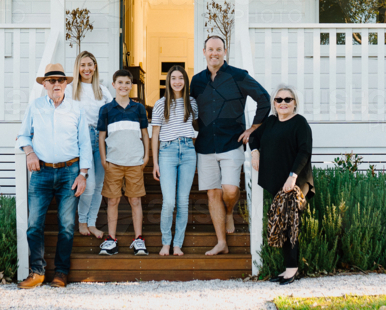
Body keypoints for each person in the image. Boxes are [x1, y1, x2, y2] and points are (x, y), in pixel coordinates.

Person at [190, 35, 270, 256]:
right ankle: (221, 243)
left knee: (231, 190)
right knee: (212, 194)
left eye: (218, 49)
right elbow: (190, 109)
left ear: (224, 52)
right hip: (205, 145)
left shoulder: (238, 76)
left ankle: (230, 210)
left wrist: (253, 128)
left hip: (231, 143)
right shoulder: (196, 81)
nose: (214, 53)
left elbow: (264, 98)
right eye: (210, 49)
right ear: (204, 52)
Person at [15, 63, 91, 289]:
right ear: (45, 84)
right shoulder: (35, 106)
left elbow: (85, 144)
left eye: (60, 80)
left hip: (70, 172)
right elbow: (23, 135)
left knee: (67, 225)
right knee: (33, 225)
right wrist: (29, 153)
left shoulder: (77, 109)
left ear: (66, 83)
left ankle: (61, 272)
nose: (56, 84)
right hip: (42, 172)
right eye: (52, 81)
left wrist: (83, 174)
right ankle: (37, 272)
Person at [249, 85, 313, 286]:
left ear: (295, 103)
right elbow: (253, 137)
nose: (283, 103)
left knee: (290, 223)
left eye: (288, 99)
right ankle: (288, 267)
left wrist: (292, 177)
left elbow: (304, 152)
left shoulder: (300, 123)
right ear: (273, 104)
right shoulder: (270, 122)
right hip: (277, 182)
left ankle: (292, 269)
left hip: (295, 181)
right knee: (282, 224)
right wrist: (255, 152)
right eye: (279, 100)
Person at [96, 68, 150, 256]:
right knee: (113, 201)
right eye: (120, 83)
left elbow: (144, 134)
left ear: (131, 85)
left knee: (135, 200)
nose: (124, 86)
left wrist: (146, 157)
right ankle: (111, 240)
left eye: (127, 83)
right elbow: (101, 137)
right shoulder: (106, 110)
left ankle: (138, 239)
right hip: (113, 162)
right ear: (113, 85)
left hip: (135, 162)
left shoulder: (139, 108)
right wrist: (104, 160)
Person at [151, 65, 198, 256]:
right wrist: (155, 162)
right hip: (167, 153)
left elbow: (197, 126)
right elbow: (155, 134)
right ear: (168, 81)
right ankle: (166, 243)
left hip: (188, 151)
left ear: (185, 81)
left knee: (183, 201)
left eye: (181, 78)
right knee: (169, 201)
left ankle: (177, 244)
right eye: (173, 78)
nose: (177, 81)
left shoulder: (192, 103)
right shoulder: (160, 104)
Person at [72, 50, 111, 238]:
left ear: (95, 67)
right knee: (89, 183)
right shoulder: (72, 90)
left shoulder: (103, 91)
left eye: (90, 65)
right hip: (82, 138)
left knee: (99, 185)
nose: (86, 68)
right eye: (83, 65)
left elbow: (115, 111)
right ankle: (82, 221)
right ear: (78, 68)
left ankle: (92, 223)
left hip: (101, 138)